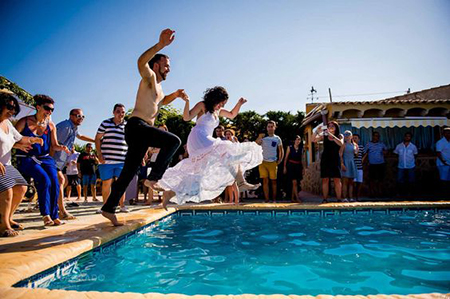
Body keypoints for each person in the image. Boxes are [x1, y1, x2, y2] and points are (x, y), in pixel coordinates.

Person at [101, 28, 187, 226]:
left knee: (129, 171)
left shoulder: (158, 86)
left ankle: (108, 208)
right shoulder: (148, 77)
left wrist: (175, 95)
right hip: (137, 126)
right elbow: (140, 62)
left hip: (140, 131)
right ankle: (153, 178)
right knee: (174, 141)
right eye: (166, 65)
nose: (169, 69)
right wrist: (160, 45)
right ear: (156, 65)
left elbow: (161, 102)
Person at [159, 86, 263, 208]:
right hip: (198, 137)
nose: (221, 106)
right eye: (221, 103)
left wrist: (239, 103)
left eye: (223, 104)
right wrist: (187, 102)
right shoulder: (203, 105)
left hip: (207, 140)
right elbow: (186, 117)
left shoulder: (218, 111)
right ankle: (241, 182)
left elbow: (232, 115)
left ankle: (169, 194)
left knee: (199, 175)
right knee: (227, 149)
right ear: (215, 98)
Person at [15, 94, 70, 226]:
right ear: (38, 107)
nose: (49, 112)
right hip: (27, 158)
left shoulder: (51, 126)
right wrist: (19, 145)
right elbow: (11, 140)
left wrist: (61, 147)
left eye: (52, 110)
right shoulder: (24, 122)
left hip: (45, 158)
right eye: (47, 108)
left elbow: (54, 145)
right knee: (44, 180)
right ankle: (46, 215)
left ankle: (54, 215)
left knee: (55, 181)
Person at [0, 91, 43, 237]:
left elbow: (19, 138)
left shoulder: (7, 124)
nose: (12, 111)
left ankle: (8, 218)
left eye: (14, 109)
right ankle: (3, 225)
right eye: (9, 107)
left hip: (7, 164)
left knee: (22, 188)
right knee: (7, 191)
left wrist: (34, 140)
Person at [53, 109, 95, 220]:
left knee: (60, 182)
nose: (81, 118)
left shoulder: (73, 128)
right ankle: (62, 211)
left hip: (60, 162)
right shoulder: (66, 127)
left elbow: (81, 137)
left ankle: (55, 207)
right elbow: (53, 143)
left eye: (83, 116)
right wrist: (50, 160)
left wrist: (96, 140)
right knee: (61, 181)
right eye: (78, 116)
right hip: (54, 160)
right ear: (71, 116)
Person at [95, 104, 128, 213]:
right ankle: (105, 207)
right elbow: (97, 138)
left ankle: (122, 205)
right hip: (106, 160)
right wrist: (99, 154)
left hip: (122, 160)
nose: (121, 114)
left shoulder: (127, 125)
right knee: (106, 183)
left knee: (121, 184)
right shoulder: (105, 123)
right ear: (113, 112)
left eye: (122, 112)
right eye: (118, 111)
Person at [313, 121, 344, 203]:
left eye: (332, 126)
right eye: (329, 126)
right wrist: (317, 131)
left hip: (335, 159)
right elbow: (313, 140)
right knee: (325, 179)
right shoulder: (324, 136)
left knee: (337, 179)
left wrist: (331, 135)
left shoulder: (340, 136)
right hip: (325, 159)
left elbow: (341, 143)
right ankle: (325, 199)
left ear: (336, 127)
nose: (330, 127)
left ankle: (339, 199)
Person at [256, 121, 284, 203]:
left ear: (275, 128)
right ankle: (267, 200)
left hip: (273, 162)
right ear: (266, 128)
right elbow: (256, 144)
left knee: (274, 181)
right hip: (263, 162)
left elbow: (281, 150)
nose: (270, 128)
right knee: (265, 181)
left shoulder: (277, 138)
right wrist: (259, 136)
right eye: (269, 126)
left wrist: (280, 159)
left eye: (272, 126)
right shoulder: (263, 137)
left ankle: (274, 199)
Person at [393, 132, 418, 197]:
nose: (407, 137)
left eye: (409, 136)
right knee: (400, 180)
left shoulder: (413, 146)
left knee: (411, 180)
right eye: (406, 136)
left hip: (410, 166)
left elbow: (415, 155)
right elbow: (395, 154)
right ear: (404, 137)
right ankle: (400, 193)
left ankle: (410, 193)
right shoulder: (399, 146)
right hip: (401, 166)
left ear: (411, 138)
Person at [363, 131, 387, 198]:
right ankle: (372, 193)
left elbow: (386, 152)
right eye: (375, 136)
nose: (376, 137)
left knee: (380, 180)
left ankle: (380, 193)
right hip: (372, 164)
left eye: (377, 136)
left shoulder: (381, 144)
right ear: (373, 136)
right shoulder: (368, 144)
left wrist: (384, 152)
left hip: (380, 164)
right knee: (372, 180)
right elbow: (365, 152)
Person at [283, 135, 304, 203]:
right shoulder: (290, 147)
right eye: (297, 139)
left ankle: (292, 198)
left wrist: (303, 168)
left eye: (299, 139)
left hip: (298, 166)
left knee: (295, 183)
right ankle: (297, 198)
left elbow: (302, 159)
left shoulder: (301, 148)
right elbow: (286, 158)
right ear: (294, 140)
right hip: (291, 166)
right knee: (294, 182)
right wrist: (284, 167)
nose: (298, 141)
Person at [340, 130, 358, 202]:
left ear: (351, 136)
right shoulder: (343, 145)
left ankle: (351, 197)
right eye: (346, 135)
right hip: (345, 163)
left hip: (352, 163)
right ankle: (344, 198)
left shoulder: (355, 145)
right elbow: (340, 155)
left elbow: (356, 155)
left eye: (348, 135)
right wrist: (342, 164)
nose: (347, 136)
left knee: (351, 182)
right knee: (345, 182)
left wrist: (356, 150)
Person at [436, 127, 450, 196]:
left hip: (449, 163)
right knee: (443, 179)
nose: (448, 134)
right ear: (444, 134)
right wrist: (443, 161)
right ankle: (443, 194)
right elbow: (438, 153)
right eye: (447, 133)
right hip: (443, 164)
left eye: (449, 132)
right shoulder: (440, 142)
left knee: (448, 179)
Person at [352, 134, 365, 201]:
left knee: (359, 182)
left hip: (360, 167)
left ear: (359, 139)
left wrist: (363, 161)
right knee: (353, 182)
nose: (354, 139)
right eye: (353, 138)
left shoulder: (361, 147)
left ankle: (358, 196)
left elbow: (364, 155)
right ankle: (354, 196)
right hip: (353, 167)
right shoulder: (350, 147)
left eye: (356, 138)